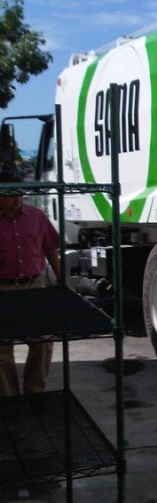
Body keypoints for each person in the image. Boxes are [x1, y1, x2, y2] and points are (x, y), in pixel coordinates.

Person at [0, 165, 61, 396]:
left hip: (34, 287)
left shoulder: (36, 216)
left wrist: (61, 280)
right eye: (9, 194)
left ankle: (35, 393)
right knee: (1, 350)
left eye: (19, 193)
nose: (16, 199)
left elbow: (50, 249)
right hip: (2, 289)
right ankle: (9, 400)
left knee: (43, 341)